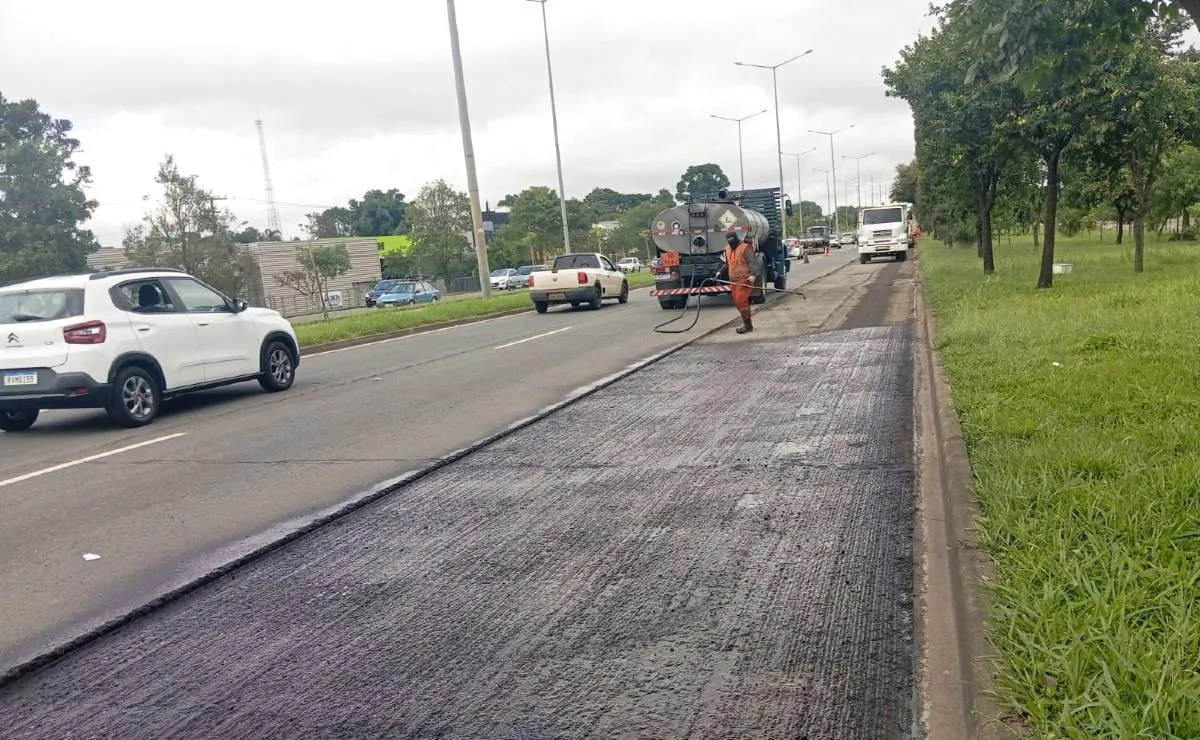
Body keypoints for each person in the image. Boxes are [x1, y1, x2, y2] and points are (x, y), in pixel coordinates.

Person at [716, 230, 762, 334]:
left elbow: (753, 262)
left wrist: (753, 275)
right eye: (729, 241)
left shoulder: (745, 248)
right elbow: (727, 264)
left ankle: (748, 325)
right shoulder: (727, 250)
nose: (731, 242)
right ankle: (747, 323)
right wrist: (719, 272)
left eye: (732, 240)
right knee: (737, 302)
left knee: (741, 301)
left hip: (744, 279)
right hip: (734, 281)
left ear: (736, 238)